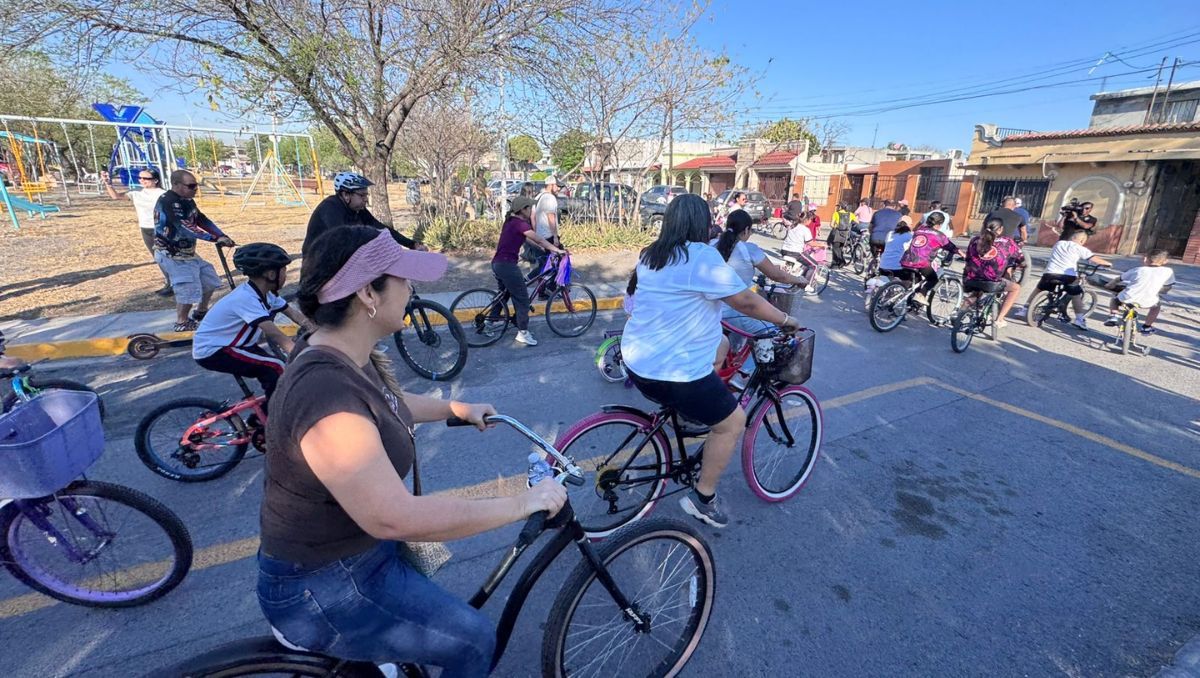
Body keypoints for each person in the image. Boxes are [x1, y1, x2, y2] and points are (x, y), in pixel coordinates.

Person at [257, 225, 567, 675]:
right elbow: (395, 517)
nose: (412, 288)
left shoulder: (339, 353)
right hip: (328, 583)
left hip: (352, 560)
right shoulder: (326, 391)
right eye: (402, 278)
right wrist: (526, 502)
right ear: (368, 294)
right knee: (475, 640)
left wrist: (455, 408)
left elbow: (386, 406)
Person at [621, 194, 801, 528]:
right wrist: (785, 320)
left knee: (720, 343)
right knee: (733, 423)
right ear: (703, 224)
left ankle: (691, 414)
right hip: (674, 372)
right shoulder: (700, 256)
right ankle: (704, 498)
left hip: (636, 362)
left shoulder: (652, 254)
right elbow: (747, 302)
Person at [192, 243, 309, 404]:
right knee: (275, 367)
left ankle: (259, 418)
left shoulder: (266, 294)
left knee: (278, 370)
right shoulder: (246, 298)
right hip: (215, 350)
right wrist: (303, 355)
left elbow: (295, 315)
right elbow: (274, 333)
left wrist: (320, 332)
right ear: (270, 274)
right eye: (284, 271)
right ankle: (274, 420)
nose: (285, 275)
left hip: (237, 345)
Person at [154, 170, 236, 332]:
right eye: (191, 186)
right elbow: (184, 226)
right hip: (172, 254)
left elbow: (201, 219)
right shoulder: (169, 202)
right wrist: (213, 239)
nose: (195, 189)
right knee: (188, 287)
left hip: (187, 253)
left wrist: (221, 234)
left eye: (196, 186)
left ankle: (200, 312)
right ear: (176, 185)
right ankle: (182, 322)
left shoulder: (187, 201)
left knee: (209, 280)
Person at [492, 196, 566, 347]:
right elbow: (538, 238)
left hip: (498, 264)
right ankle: (523, 333)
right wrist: (556, 249)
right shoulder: (519, 223)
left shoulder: (511, 222)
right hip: (507, 266)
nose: (531, 210)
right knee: (522, 298)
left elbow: (529, 240)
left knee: (504, 295)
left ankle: (489, 322)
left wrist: (544, 250)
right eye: (529, 208)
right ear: (522, 210)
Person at [303, 172, 426, 259]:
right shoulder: (330, 209)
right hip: (318, 263)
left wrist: (412, 244)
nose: (366, 199)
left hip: (338, 258)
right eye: (362, 195)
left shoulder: (357, 209)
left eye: (366, 195)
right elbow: (343, 240)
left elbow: (381, 229)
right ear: (346, 195)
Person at [1016, 229, 1111, 329]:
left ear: (1072, 237)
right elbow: (1094, 259)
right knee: (1075, 295)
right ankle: (1079, 319)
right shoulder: (1080, 248)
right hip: (1068, 276)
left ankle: (1024, 309)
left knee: (1038, 289)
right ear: (1082, 241)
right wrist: (1107, 264)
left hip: (1050, 273)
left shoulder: (1059, 243)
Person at [102, 168, 171, 296]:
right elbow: (115, 196)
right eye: (140, 178)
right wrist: (108, 184)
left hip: (160, 228)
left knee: (165, 257)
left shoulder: (163, 194)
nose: (142, 181)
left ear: (155, 180)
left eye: (146, 178)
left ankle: (174, 282)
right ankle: (169, 282)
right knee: (157, 257)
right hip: (145, 228)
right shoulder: (136, 193)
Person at [962, 217, 1025, 327]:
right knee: (1015, 288)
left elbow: (968, 257)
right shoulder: (1008, 242)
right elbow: (1022, 261)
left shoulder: (974, 240)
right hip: (992, 282)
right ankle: (999, 319)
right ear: (1000, 229)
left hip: (970, 279)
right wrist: (1021, 265)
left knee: (976, 292)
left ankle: (958, 314)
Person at [1103, 249, 1174, 334]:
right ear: (1165, 261)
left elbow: (1119, 279)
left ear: (1145, 259)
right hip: (1148, 301)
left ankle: (1114, 316)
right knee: (1156, 307)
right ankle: (1147, 327)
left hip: (1128, 297)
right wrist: (1160, 291)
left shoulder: (1137, 270)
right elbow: (1167, 287)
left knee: (1115, 299)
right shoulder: (1168, 271)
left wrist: (1109, 285)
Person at [899, 212, 960, 298]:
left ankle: (910, 303)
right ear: (939, 224)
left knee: (915, 281)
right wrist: (963, 254)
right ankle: (921, 295)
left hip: (906, 260)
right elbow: (950, 247)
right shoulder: (939, 235)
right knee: (933, 279)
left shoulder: (919, 230)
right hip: (921, 263)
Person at [529, 176, 563, 274]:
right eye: (557, 186)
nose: (559, 189)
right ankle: (551, 288)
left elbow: (532, 216)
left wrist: (536, 234)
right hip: (549, 236)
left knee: (543, 265)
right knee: (555, 265)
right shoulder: (550, 198)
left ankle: (540, 287)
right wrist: (555, 237)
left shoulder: (538, 197)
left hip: (540, 236)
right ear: (551, 185)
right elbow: (551, 217)